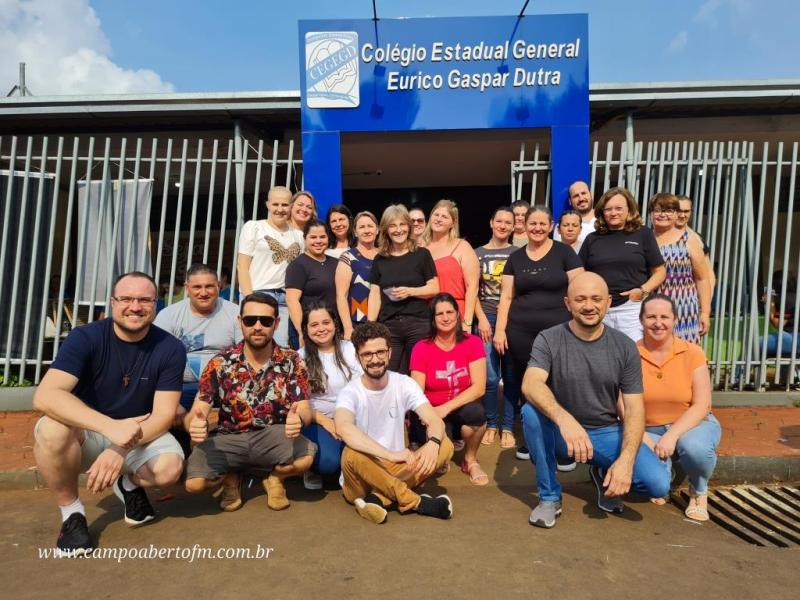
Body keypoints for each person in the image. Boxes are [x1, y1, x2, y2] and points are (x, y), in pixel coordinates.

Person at [33, 271, 186, 556]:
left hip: (139, 432)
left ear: (156, 303)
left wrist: (118, 448)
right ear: (113, 303)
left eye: (144, 300)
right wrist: (108, 427)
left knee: (169, 469)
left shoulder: (170, 348)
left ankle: (127, 483)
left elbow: (164, 415)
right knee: (50, 429)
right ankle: (72, 514)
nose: (135, 306)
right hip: (89, 429)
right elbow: (45, 395)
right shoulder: (85, 337)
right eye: (126, 298)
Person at [520, 272, 671, 528]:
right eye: (580, 299)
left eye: (596, 299)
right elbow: (530, 383)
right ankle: (549, 497)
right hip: (563, 433)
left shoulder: (624, 347)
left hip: (605, 431)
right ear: (568, 303)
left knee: (657, 484)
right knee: (531, 413)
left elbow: (634, 407)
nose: (589, 306)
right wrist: (565, 420)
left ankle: (604, 472)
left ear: (608, 302)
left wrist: (624, 462)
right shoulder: (549, 338)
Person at [183, 292, 316, 511]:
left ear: (277, 323)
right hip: (229, 436)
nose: (257, 326)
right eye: (249, 320)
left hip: (273, 434)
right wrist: (194, 423)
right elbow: (199, 409)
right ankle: (230, 477)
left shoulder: (292, 360)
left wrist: (299, 419)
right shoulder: (220, 363)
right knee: (194, 484)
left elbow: (304, 409)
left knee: (306, 459)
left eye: (265, 321)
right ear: (240, 322)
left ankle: (275, 479)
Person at [335, 322, 455, 524]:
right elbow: (344, 428)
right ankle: (417, 502)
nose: (375, 360)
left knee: (445, 444)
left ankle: (378, 499)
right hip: (362, 476)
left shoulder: (404, 383)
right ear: (358, 358)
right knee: (351, 452)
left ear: (390, 353)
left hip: (398, 467)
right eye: (367, 354)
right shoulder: (350, 392)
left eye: (380, 352)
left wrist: (433, 444)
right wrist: (390, 454)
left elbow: (434, 419)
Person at [494, 206, 583, 461]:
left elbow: (578, 289)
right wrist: (500, 330)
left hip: (559, 333)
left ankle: (563, 445)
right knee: (527, 387)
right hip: (521, 332)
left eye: (542, 223)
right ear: (525, 224)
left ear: (551, 225)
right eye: (532, 223)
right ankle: (532, 441)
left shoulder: (564, 253)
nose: (537, 228)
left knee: (559, 384)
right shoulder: (515, 258)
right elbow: (507, 296)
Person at [637, 294, 721, 521]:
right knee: (645, 485)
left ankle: (699, 490)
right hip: (647, 429)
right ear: (641, 320)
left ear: (674, 320)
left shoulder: (692, 352)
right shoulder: (630, 353)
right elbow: (622, 404)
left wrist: (671, 436)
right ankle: (666, 471)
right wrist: (641, 436)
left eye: (665, 316)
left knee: (694, 447)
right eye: (651, 316)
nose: (658, 322)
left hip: (691, 424)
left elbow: (702, 404)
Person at [154, 263, 242, 453]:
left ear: (219, 286)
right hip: (179, 387)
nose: (203, 293)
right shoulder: (168, 316)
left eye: (209, 286)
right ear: (187, 288)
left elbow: (245, 357)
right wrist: (171, 402)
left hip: (223, 389)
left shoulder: (235, 314)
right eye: (197, 287)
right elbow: (154, 360)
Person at [410, 293, 488, 485]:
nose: (445, 318)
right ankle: (442, 447)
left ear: (458, 314)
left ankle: (470, 460)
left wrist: (446, 407)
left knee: (477, 415)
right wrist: (432, 415)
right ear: (433, 319)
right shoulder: (421, 347)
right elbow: (416, 392)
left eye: (449, 312)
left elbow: (479, 388)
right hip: (431, 410)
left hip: (457, 407)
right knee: (436, 461)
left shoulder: (473, 342)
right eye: (439, 314)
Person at [580, 187, 666, 342]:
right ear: (602, 212)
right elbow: (580, 274)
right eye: (608, 209)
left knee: (635, 356)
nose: (613, 213)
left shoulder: (643, 234)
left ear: (629, 210)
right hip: (599, 310)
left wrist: (642, 291)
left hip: (632, 309)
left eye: (619, 208)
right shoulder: (592, 239)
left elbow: (660, 271)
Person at [368, 204, 439, 374]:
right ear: (385, 230)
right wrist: (370, 326)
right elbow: (375, 293)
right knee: (388, 373)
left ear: (409, 226)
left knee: (418, 373)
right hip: (389, 326)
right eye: (392, 225)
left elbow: (435, 287)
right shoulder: (380, 259)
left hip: (418, 323)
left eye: (402, 224)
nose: (398, 230)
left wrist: (410, 291)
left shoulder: (422, 255)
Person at [297, 303, 362, 490]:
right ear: (305, 329)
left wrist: (344, 421)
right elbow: (300, 404)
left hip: (351, 416)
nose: (321, 329)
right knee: (328, 463)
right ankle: (311, 467)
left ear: (335, 323)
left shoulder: (351, 349)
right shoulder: (299, 358)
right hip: (318, 420)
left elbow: (362, 389)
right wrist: (326, 422)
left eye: (326, 322)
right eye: (314, 325)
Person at [473, 207, 519, 446]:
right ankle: (491, 423)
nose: (502, 225)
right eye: (498, 220)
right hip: (485, 320)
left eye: (508, 222)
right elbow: (471, 291)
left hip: (513, 321)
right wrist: (480, 319)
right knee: (490, 378)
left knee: (511, 377)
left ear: (513, 226)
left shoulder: (519, 254)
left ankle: (508, 426)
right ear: (491, 223)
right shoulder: (476, 254)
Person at [237, 185, 304, 347]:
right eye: (276, 204)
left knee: (284, 347)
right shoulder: (254, 227)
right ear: (268, 204)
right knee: (259, 345)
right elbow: (242, 266)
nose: (280, 209)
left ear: (291, 206)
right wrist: (249, 300)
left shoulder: (299, 235)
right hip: (259, 293)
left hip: (287, 298)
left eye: (285, 205)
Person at [649, 193, 712, 342]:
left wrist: (705, 313)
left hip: (685, 309)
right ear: (651, 213)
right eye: (658, 210)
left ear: (676, 214)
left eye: (669, 210)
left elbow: (702, 278)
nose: (662, 214)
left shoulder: (689, 240)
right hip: (652, 310)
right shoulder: (645, 239)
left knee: (686, 357)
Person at [422, 199, 480, 329]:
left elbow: (472, 287)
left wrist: (467, 321)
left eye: (444, 217)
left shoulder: (462, 246)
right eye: (436, 215)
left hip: (454, 314)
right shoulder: (420, 247)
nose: (438, 219)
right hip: (425, 316)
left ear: (453, 223)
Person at [285, 220, 338, 349]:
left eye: (322, 237)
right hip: (310, 331)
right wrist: (301, 332)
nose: (318, 241)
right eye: (313, 237)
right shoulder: (298, 265)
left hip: (332, 330)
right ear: (305, 239)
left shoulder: (336, 263)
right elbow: (292, 300)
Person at [335, 211, 379, 339]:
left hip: (384, 320)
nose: (366, 231)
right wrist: (348, 328)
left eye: (370, 226)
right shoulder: (348, 257)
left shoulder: (385, 256)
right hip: (357, 322)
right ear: (355, 232)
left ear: (377, 229)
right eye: (362, 227)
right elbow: (341, 296)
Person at [676, 194, 717, 291]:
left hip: (689, 300)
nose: (682, 215)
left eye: (686, 211)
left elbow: (709, 276)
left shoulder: (697, 238)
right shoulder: (657, 236)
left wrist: (705, 303)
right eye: (678, 211)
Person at [553, 180, 596, 250]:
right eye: (576, 196)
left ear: (591, 195)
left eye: (584, 193)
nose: (581, 198)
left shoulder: (604, 219)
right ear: (570, 201)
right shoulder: (562, 226)